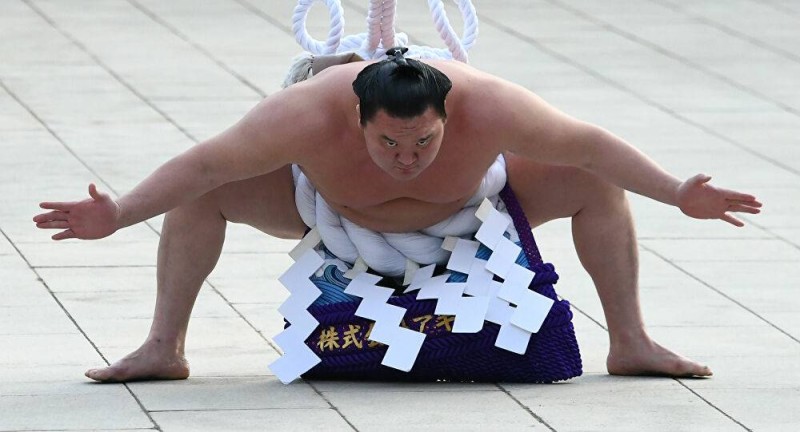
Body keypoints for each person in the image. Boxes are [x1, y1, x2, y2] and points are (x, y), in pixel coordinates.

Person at [33, 48, 761, 382]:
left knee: (593, 181)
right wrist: (120, 212)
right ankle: (162, 347)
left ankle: (630, 342)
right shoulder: (305, 113)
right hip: (328, 212)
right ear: (356, 119)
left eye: (424, 141)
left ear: (449, 115)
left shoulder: (491, 104)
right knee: (202, 195)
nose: (406, 157)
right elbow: (204, 166)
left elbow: (592, 145)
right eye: (387, 142)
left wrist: (678, 192)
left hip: (472, 212)